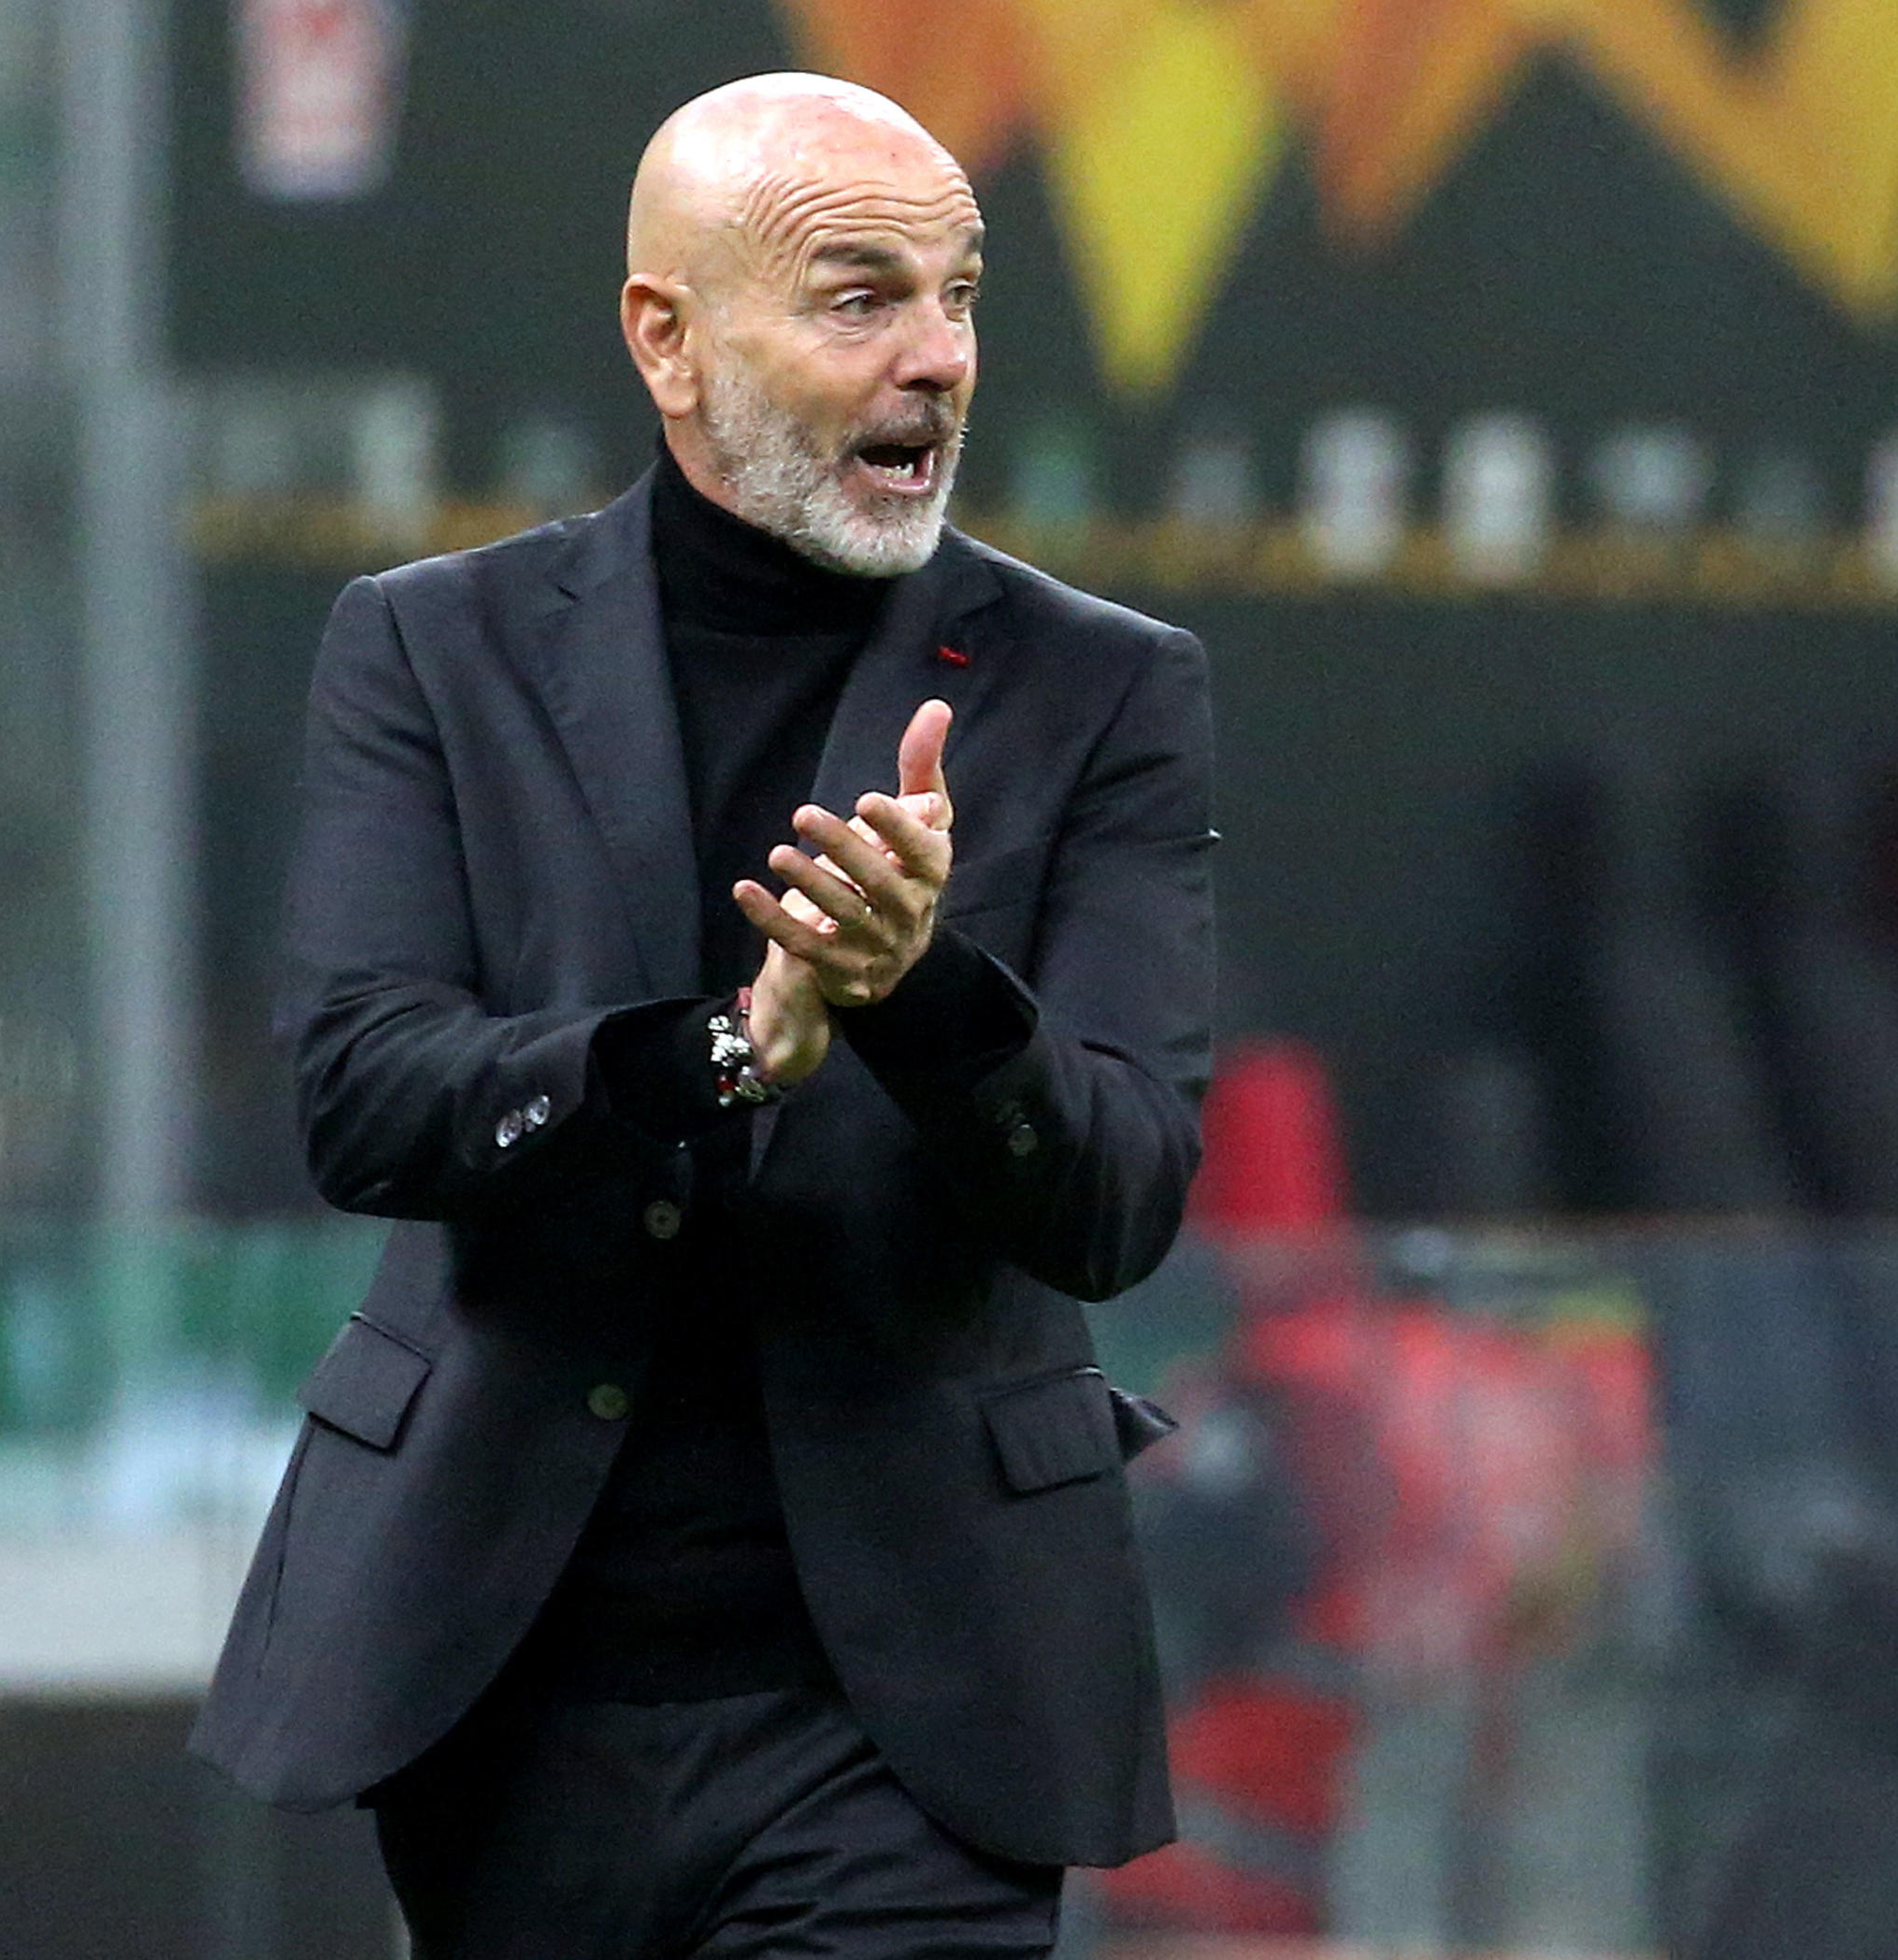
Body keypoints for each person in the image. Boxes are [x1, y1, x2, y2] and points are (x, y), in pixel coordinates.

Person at [190, 73, 1215, 1959]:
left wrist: (922, 997)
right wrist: (715, 1054)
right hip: (509, 1680)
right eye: (858, 300)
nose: (936, 362)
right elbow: (362, 1093)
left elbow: (1122, 1191)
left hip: (919, 1717)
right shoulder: (432, 649)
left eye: (961, 295)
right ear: (669, 339)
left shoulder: (1102, 691)